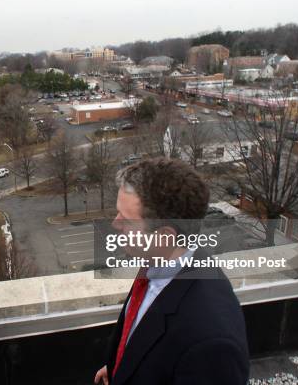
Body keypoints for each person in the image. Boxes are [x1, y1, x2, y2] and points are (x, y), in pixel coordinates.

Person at [94, 158, 249, 385]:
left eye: (126, 220)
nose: (115, 224)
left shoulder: (211, 345)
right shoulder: (157, 262)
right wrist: (121, 370)